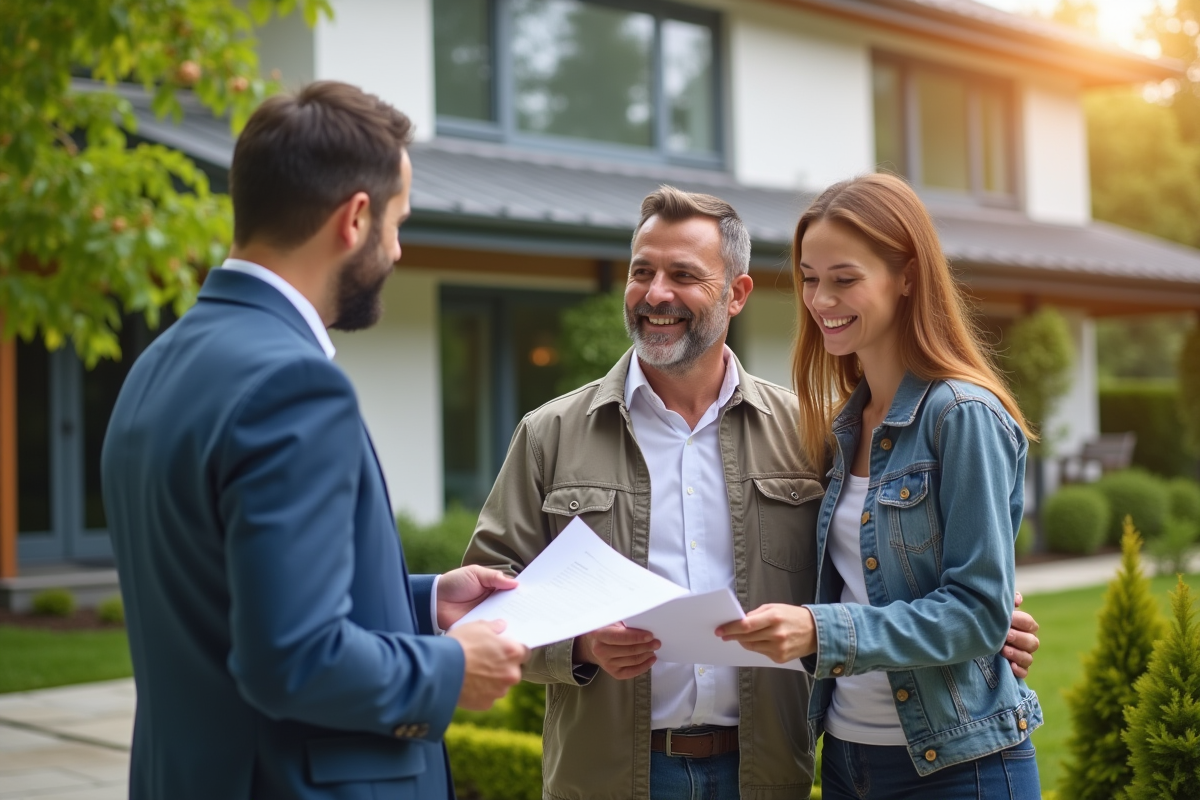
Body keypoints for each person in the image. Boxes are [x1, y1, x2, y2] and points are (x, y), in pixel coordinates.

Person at [462, 185, 1039, 799]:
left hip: (765, 774)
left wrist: (987, 620)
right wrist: (578, 645)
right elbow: (485, 600)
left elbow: (892, 573)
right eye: (642, 272)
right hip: (610, 780)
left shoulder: (811, 432)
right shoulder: (550, 434)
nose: (656, 293)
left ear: (737, 294)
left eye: (684, 274)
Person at [101, 82, 528, 800]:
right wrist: (451, 669)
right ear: (355, 219)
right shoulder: (293, 384)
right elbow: (292, 659)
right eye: (398, 222)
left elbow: (231, 598)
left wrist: (422, 602)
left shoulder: (157, 364)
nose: (398, 249)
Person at [719, 173, 1043, 798]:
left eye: (845, 279)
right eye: (810, 278)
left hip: (959, 766)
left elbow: (979, 612)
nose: (821, 300)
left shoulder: (962, 416)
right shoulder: (840, 427)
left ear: (908, 277)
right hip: (848, 758)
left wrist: (823, 632)